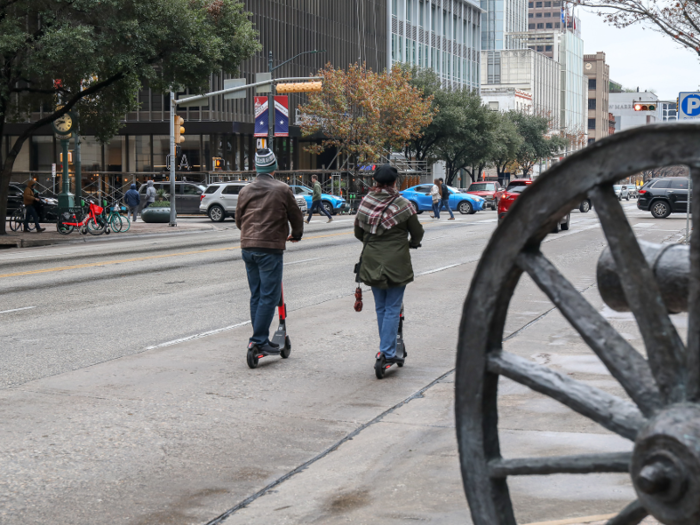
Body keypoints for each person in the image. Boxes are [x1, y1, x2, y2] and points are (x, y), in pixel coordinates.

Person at [354, 164, 424, 365]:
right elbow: (417, 232)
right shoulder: (403, 204)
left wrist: (374, 243)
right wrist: (413, 244)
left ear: (375, 182)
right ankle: (387, 351)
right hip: (397, 262)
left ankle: (385, 349)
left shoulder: (366, 202)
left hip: (372, 261)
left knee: (380, 307)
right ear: (395, 182)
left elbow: (359, 233)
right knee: (393, 307)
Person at [236, 148, 304, 353]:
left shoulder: (245, 190)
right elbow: (296, 216)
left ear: (256, 167)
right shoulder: (282, 189)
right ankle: (259, 340)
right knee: (269, 296)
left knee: (256, 294)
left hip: (248, 247)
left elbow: (239, 221)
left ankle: (258, 337)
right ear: (274, 167)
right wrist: (296, 234)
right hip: (270, 248)